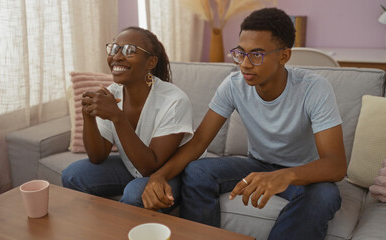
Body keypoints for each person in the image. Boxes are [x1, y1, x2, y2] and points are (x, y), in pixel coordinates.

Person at [141, 8, 347, 239]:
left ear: (284, 56)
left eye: (256, 55)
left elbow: (336, 165)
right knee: (197, 171)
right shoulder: (233, 85)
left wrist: (284, 176)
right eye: (241, 53)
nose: (245, 65)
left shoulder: (314, 88)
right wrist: (158, 176)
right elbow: (199, 142)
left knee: (324, 196)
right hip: (258, 164)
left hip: (303, 173)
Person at [62, 26, 193, 212]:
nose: (117, 57)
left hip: (171, 173)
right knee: (73, 174)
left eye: (129, 50)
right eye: (114, 49)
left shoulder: (174, 100)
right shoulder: (113, 93)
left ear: (151, 62)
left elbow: (150, 167)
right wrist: (88, 116)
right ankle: (96, 226)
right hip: (132, 167)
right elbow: (97, 156)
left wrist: (117, 116)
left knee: (135, 194)